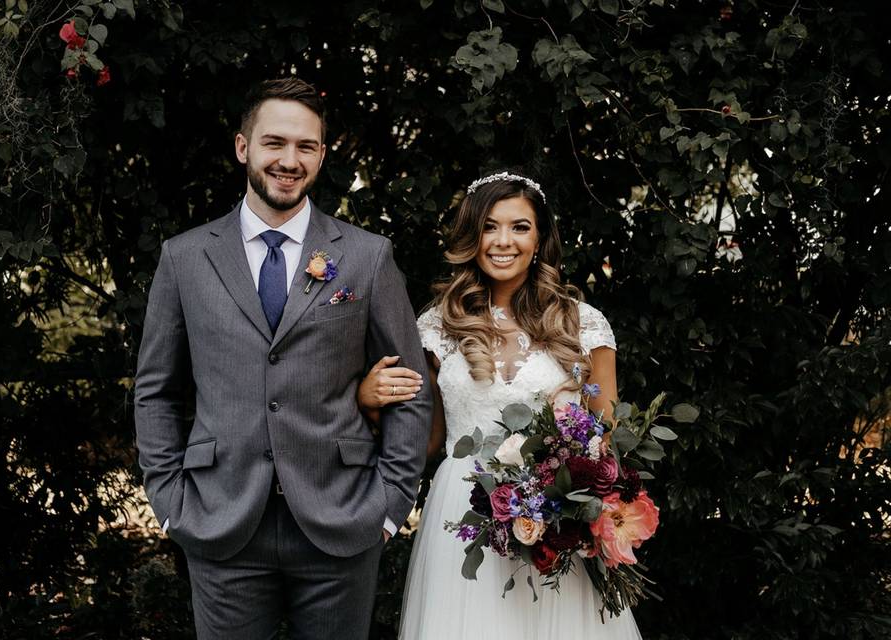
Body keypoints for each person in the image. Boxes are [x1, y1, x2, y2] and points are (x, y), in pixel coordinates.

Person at [134, 77, 432, 640]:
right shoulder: (185, 257)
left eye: (306, 146)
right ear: (244, 147)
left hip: (341, 519)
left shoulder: (366, 257)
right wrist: (170, 503)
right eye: (275, 143)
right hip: (219, 518)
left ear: (322, 154)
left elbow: (410, 388)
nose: (289, 160)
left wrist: (390, 508)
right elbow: (156, 390)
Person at [359, 172, 642, 638]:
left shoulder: (585, 326)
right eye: (489, 227)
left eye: (520, 227)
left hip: (554, 520)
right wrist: (369, 403)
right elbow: (425, 442)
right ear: (472, 236)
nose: (503, 241)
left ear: (540, 238)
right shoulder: (436, 326)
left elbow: (606, 441)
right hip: (460, 517)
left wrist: (566, 499)